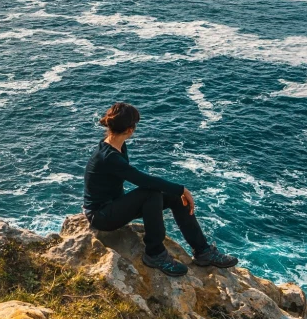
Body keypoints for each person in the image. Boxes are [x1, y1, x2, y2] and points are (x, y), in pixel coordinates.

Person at [83, 101, 237, 277]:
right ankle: (154, 254)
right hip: (101, 216)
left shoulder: (115, 145)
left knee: (172, 197)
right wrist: (182, 189)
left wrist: (178, 192)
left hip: (114, 206)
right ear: (130, 130)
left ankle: (203, 251)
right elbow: (143, 180)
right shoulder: (109, 157)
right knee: (151, 192)